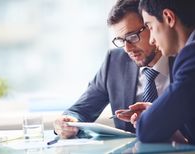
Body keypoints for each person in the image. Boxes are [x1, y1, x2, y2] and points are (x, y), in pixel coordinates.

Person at [53, 0, 174, 139]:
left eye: (132, 37)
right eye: (121, 40)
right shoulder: (115, 61)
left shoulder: (185, 59)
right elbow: (80, 110)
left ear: (152, 26)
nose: (127, 49)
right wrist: (66, 122)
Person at [121, 0, 195, 145]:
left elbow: (146, 130)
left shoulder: (191, 56)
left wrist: (154, 117)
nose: (152, 40)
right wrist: (161, 111)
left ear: (168, 18)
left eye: (150, 27)